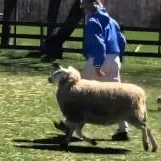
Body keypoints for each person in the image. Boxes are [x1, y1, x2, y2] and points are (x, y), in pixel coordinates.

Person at [54, 0, 129, 141]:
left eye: (84, 8)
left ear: (89, 8)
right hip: (114, 59)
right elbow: (122, 41)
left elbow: (98, 44)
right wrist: (117, 57)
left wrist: (98, 65)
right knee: (118, 95)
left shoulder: (93, 21)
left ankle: (70, 125)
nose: (84, 11)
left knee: (80, 93)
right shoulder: (112, 21)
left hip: (99, 59)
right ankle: (123, 130)